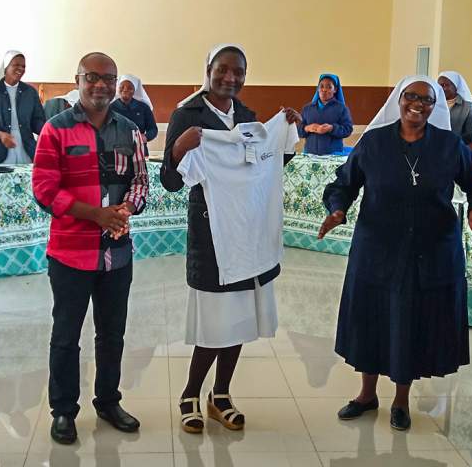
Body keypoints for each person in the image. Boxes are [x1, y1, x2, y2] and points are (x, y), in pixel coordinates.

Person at [318, 75, 472, 431]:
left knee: (410, 322)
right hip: (377, 248)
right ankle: (366, 395)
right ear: (398, 101)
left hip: (428, 251)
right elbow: (344, 182)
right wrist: (337, 209)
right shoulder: (374, 143)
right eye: (410, 96)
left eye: (426, 99)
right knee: (371, 319)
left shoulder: (448, 146)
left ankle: (401, 400)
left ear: (435, 106)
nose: (417, 103)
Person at [161, 44, 301, 434]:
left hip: (247, 234)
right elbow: (171, 181)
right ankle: (190, 392)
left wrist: (287, 130)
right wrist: (178, 148)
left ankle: (220, 394)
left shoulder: (250, 117)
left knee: (240, 319)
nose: (230, 78)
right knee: (214, 322)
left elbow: (265, 166)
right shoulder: (187, 115)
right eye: (222, 70)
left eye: (238, 71)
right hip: (212, 235)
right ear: (208, 69)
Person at [32, 52, 149, 444]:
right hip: (70, 254)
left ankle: (108, 401)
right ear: (78, 79)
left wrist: (122, 211)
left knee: (112, 334)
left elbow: (140, 182)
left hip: (117, 253)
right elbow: (45, 190)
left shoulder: (131, 130)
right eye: (93, 77)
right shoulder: (56, 129)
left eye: (108, 79)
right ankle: (64, 410)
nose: (101, 85)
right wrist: (96, 215)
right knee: (66, 335)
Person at [0, 50, 46, 164]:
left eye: (23, 66)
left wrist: (49, 133)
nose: (21, 69)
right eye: (16, 65)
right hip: (0, 150)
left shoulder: (30, 92)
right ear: (6, 67)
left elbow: (37, 120)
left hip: (26, 148)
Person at [297, 73, 353, 155]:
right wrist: (307, 128)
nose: (324, 90)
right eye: (321, 86)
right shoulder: (307, 108)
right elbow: (299, 131)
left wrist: (332, 128)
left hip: (333, 155)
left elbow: (348, 130)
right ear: (318, 89)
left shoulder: (341, 108)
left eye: (329, 87)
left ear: (335, 90)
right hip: (310, 155)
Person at [110, 74, 159, 151]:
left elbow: (153, 129)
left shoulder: (144, 107)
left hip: (139, 149)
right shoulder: (110, 107)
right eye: (122, 86)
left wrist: (145, 137)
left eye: (130, 88)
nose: (125, 89)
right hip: (115, 151)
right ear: (118, 88)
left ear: (135, 90)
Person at [437, 71, 472, 145]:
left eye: (446, 85)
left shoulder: (467, 107)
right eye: (440, 85)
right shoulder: (432, 103)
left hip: (454, 149)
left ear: (456, 86)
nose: (442, 88)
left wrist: (453, 143)